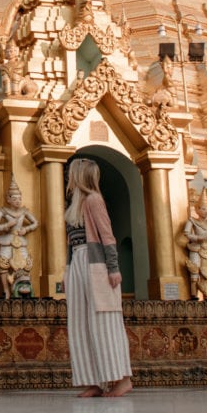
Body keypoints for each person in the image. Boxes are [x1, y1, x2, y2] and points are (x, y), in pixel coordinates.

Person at [63, 157, 132, 398]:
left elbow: (107, 236)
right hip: (78, 264)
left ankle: (122, 379)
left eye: (71, 173)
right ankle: (93, 381)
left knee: (105, 323)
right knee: (80, 324)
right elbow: (72, 243)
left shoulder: (94, 200)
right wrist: (68, 271)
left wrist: (113, 268)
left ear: (80, 176)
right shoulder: (75, 204)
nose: (68, 177)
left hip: (97, 265)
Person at [0, 177, 38, 298]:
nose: (18, 201)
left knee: (26, 265)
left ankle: (25, 288)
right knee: (3, 264)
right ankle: (6, 291)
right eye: (14, 198)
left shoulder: (24, 211)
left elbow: (35, 223)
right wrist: (6, 225)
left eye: (19, 198)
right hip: (7, 240)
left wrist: (26, 229)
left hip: (20, 240)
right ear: (8, 199)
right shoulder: (3, 211)